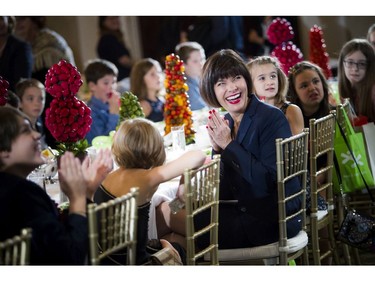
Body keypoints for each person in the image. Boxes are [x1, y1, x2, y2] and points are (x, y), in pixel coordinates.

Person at [158, 49, 302, 250]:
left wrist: (228, 145)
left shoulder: (271, 117)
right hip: (239, 208)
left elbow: (266, 183)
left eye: (236, 78)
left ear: (246, 80)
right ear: (212, 91)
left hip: (268, 218)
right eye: (221, 84)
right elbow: (225, 186)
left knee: (163, 214)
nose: (232, 87)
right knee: (173, 226)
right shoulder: (226, 121)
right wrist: (217, 151)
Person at [0, 106, 113, 265]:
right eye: (25, 130)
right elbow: (71, 258)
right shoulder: (21, 195)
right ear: (3, 150)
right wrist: (77, 198)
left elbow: (58, 237)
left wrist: (86, 192)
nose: (37, 135)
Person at [94, 118, 206, 264]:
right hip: (139, 262)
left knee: (171, 223)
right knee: (182, 242)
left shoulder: (108, 177)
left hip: (109, 259)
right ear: (155, 148)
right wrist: (183, 186)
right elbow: (198, 156)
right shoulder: (147, 178)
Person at [14, 16, 76, 149]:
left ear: (33, 20)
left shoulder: (50, 41)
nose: (19, 24)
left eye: (23, 19)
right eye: (16, 19)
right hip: (35, 105)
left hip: (54, 104)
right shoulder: (17, 45)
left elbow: (65, 78)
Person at [247, 56, 304, 135]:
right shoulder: (249, 114)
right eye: (262, 78)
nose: (270, 82)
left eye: (273, 76)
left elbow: (299, 146)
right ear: (250, 84)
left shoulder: (291, 110)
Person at [84, 58, 121, 145]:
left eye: (114, 82)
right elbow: (101, 143)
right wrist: (114, 114)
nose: (112, 87)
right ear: (92, 86)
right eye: (106, 83)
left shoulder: (112, 104)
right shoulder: (89, 113)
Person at [337, 38, 375, 122]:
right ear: (342, 64)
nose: (355, 69)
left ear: (370, 66)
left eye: (362, 64)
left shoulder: (373, 91)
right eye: (350, 62)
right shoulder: (342, 90)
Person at [0, 16, 33, 91]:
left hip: (11, 99)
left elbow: (22, 84)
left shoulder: (22, 48)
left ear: (8, 20)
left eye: (1, 18)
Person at [97, 16, 133, 82]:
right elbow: (124, 60)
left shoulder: (109, 38)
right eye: (111, 18)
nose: (115, 20)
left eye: (116, 17)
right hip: (121, 79)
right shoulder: (108, 39)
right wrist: (139, 66)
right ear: (103, 22)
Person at [175, 41, 208, 111]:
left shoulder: (201, 79)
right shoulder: (184, 87)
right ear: (183, 65)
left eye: (202, 59)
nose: (201, 64)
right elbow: (202, 109)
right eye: (195, 61)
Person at [15, 78, 47, 149]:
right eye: (30, 98)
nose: (37, 103)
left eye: (41, 99)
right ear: (19, 103)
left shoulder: (39, 126)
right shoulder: (16, 130)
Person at [130, 58, 164, 122]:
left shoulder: (162, 99)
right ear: (141, 79)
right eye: (152, 74)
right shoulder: (142, 106)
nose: (158, 76)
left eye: (159, 72)